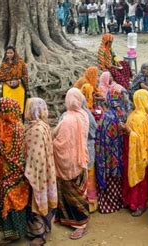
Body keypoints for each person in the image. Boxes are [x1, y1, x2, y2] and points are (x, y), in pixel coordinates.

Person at [53, 88, 90, 239]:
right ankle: (67, 218)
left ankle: (80, 223)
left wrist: (51, 141)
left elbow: (60, 143)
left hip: (69, 162)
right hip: (81, 159)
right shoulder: (84, 115)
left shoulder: (67, 119)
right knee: (79, 192)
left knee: (71, 193)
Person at [0, 98, 29, 244]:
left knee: (12, 199)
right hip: (2, 172)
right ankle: (8, 231)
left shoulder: (16, 128)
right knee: (4, 198)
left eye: (1, 110)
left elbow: (15, 153)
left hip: (13, 171)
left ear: (8, 111)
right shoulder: (1, 125)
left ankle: (14, 233)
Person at [23, 98, 57, 245]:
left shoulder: (35, 130)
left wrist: (29, 175)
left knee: (35, 200)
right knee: (43, 199)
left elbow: (35, 157)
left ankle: (39, 234)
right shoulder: (43, 125)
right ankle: (45, 228)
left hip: (38, 173)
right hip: (47, 171)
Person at [95, 85, 128, 214]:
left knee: (108, 177)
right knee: (117, 178)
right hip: (119, 153)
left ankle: (108, 204)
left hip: (108, 155)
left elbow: (102, 136)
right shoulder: (123, 113)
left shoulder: (107, 116)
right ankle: (118, 200)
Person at [120, 89, 148, 217]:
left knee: (138, 177)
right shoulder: (143, 114)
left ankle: (139, 204)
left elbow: (138, 137)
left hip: (137, 152)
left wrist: (128, 131)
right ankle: (130, 201)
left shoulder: (139, 117)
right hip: (133, 151)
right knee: (133, 175)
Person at [0, 46, 29, 114]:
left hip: (19, 88)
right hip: (7, 88)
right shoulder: (4, 63)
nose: (9, 54)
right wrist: (7, 81)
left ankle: (19, 122)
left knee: (18, 107)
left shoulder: (20, 62)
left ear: (15, 53)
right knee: (7, 106)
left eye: (11, 53)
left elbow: (25, 74)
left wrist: (19, 81)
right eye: (7, 53)